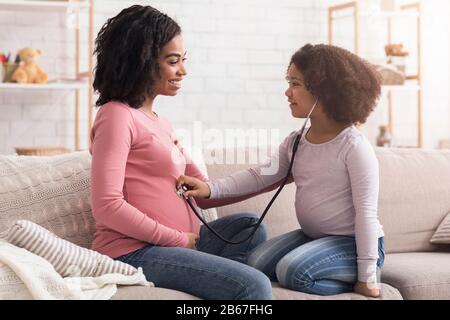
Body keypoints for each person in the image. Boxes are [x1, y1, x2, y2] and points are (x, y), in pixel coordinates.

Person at [89, 5, 272, 300]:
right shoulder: (116, 116)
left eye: (182, 60)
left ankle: (211, 281)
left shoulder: (161, 122)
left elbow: (206, 191)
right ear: (142, 61)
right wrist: (177, 240)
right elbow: (107, 206)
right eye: (173, 61)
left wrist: (280, 173)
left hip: (181, 244)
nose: (183, 71)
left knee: (249, 226)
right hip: (133, 251)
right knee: (254, 286)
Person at [177, 43, 386, 298]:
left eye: (295, 84)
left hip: (352, 244)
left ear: (325, 90)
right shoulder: (297, 141)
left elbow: (366, 215)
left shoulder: (353, 147)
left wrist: (366, 276)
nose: (288, 92)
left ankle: (359, 275)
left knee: (292, 271)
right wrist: (210, 189)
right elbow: (259, 176)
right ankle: (321, 265)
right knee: (256, 264)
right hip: (312, 238)